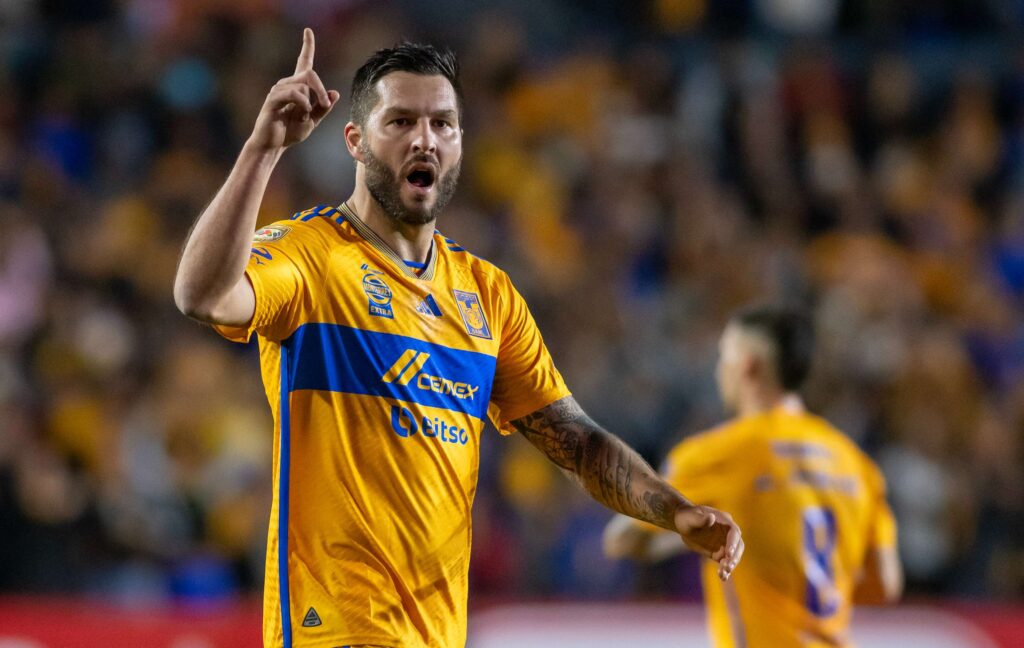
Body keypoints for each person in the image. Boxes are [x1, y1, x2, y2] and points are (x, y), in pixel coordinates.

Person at [173, 29, 743, 648]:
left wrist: (674, 510)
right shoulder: (311, 257)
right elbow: (202, 296)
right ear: (355, 141)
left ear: (460, 143)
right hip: (335, 632)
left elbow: (577, 443)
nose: (425, 138)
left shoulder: (487, 294)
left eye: (442, 124)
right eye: (401, 121)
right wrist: (263, 150)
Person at [604, 304, 902, 647]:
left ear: (748, 364)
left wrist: (696, 534)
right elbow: (886, 584)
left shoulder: (720, 453)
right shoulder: (855, 462)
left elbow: (622, 539)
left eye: (723, 356)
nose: (719, 370)